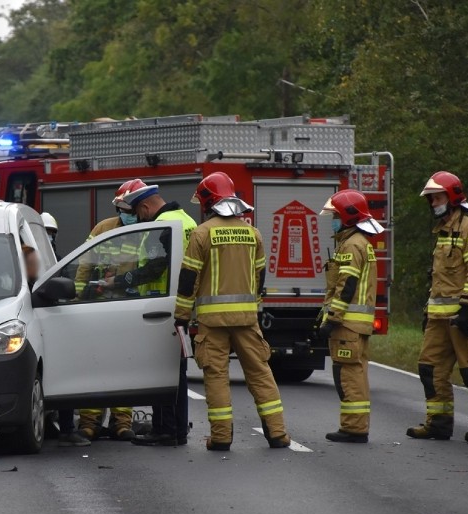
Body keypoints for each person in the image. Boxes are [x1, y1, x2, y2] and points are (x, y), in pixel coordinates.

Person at [175, 173, 291, 451]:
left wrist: (181, 315)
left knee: (216, 376)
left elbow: (188, 279)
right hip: (247, 320)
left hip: (212, 322)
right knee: (261, 374)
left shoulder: (202, 233)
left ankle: (221, 436)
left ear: (208, 202)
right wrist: (253, 305)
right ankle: (277, 434)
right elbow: (260, 276)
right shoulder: (253, 233)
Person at [104, 179, 197, 447]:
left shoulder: (161, 226)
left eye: (135, 213)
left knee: (162, 371)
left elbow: (154, 268)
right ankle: (176, 430)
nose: (134, 218)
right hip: (181, 306)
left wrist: (120, 281)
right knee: (176, 372)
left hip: (162, 308)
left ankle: (166, 430)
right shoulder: (185, 220)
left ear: (145, 207)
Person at [407, 171, 468, 443]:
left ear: (453, 197)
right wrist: (428, 312)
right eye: (431, 199)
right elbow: (439, 279)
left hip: (464, 318)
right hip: (439, 319)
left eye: (437, 198)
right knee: (430, 369)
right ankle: (439, 423)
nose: (433, 203)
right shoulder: (443, 232)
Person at [73, 183, 140, 442]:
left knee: (125, 366)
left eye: (129, 208)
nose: (126, 212)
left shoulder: (145, 231)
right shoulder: (103, 229)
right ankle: (89, 422)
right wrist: (76, 297)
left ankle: (121, 423)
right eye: (122, 208)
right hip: (98, 309)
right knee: (95, 365)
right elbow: (85, 264)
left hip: (129, 309)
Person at [318, 190, 384, 443]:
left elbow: (347, 285)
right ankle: (354, 426)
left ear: (347, 216)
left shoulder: (351, 244)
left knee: (348, 375)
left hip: (347, 324)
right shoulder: (359, 242)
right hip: (356, 324)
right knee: (354, 373)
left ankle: (354, 428)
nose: (332, 220)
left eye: (335, 215)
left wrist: (332, 317)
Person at [24, 243, 90, 448]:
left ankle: (64, 428)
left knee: (62, 377)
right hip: (32, 338)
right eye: (32, 263)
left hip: (49, 336)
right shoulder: (20, 286)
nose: (37, 266)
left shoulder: (40, 282)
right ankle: (65, 428)